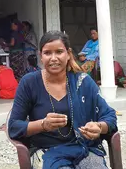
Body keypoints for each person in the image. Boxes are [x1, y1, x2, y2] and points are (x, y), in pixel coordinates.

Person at [8, 31, 117, 169]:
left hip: (83, 148)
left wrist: (99, 127)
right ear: (41, 56)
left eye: (59, 52)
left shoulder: (83, 82)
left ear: (68, 53)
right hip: (46, 151)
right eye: (47, 53)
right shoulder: (29, 83)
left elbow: (110, 116)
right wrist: (43, 124)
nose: (53, 58)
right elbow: (13, 126)